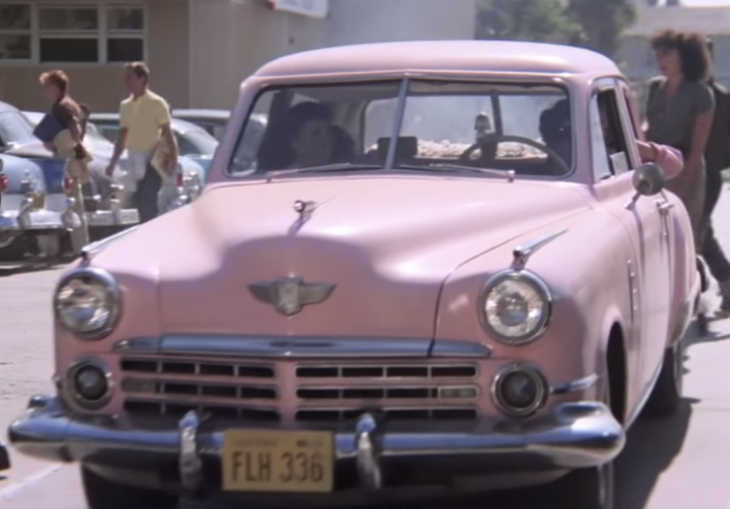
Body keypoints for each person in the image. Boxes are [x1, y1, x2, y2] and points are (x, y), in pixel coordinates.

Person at [645, 29, 715, 251]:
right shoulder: (655, 86)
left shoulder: (701, 93)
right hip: (655, 166)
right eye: (658, 54)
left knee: (683, 235)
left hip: (685, 167)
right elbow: (648, 126)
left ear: (685, 56)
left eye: (667, 53)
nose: (661, 60)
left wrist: (686, 184)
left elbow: (698, 145)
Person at [105, 61, 178, 223]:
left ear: (142, 79)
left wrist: (173, 156)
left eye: (130, 78)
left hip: (153, 160)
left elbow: (167, 132)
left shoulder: (157, 103)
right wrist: (113, 162)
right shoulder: (125, 106)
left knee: (148, 199)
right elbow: (123, 135)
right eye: (126, 78)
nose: (127, 83)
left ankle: (150, 233)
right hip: (134, 158)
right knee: (132, 200)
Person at [38, 70, 90, 252]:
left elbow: (74, 128)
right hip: (69, 156)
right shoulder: (69, 104)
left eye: (47, 87)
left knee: (72, 202)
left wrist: (65, 142)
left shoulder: (62, 106)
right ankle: (77, 245)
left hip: (66, 158)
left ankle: (80, 247)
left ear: (55, 86)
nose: (46, 91)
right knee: (73, 203)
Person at [699, 38, 730, 316]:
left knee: (701, 229)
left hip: (708, 176)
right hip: (677, 172)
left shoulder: (722, 98)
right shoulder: (670, 91)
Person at [257, 102, 334, 171]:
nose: (326, 139)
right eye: (316, 133)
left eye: (328, 131)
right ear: (295, 142)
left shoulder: (339, 175)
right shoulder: (283, 179)